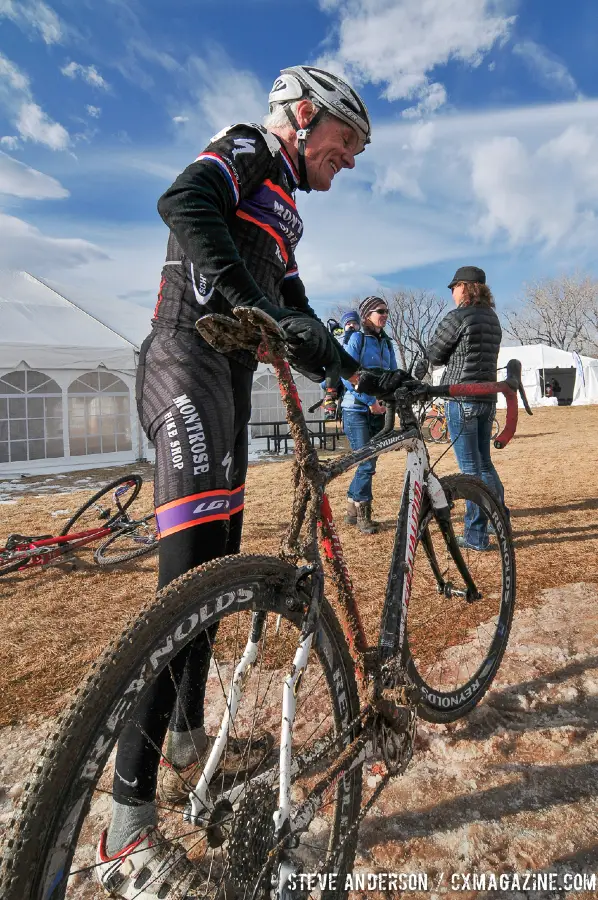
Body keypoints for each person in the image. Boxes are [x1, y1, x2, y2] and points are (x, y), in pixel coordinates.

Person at [96, 65, 373, 897]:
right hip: (182, 358)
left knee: (217, 573)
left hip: (226, 375)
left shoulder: (285, 207)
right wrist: (253, 296)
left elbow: (294, 306)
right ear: (301, 115)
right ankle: (124, 832)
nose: (350, 161)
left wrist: (363, 373)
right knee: (182, 588)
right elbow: (184, 203)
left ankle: (185, 740)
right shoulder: (250, 146)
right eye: (346, 142)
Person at [419, 265, 505, 551]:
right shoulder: (492, 318)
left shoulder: (458, 317)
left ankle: (476, 535)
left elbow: (436, 355)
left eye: (454, 286)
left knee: (470, 471)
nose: (452, 292)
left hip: (461, 397)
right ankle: (499, 523)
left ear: (466, 287)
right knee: (484, 464)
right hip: (487, 398)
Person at [341, 296, 397, 534]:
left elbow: (394, 374)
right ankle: (363, 515)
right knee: (366, 462)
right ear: (366, 315)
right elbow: (346, 373)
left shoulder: (387, 343)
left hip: (379, 409)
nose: (384, 314)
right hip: (356, 409)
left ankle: (351, 508)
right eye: (379, 311)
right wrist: (370, 401)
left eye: (386, 311)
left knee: (369, 462)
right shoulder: (357, 339)